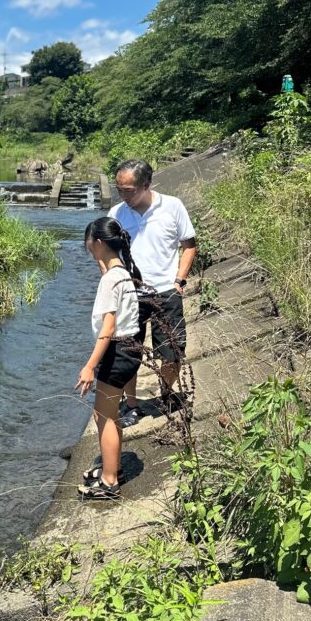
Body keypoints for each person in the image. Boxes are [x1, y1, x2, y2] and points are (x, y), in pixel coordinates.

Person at [109, 160, 197, 428]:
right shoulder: (116, 213)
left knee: (172, 351)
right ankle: (132, 405)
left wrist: (179, 279)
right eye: (119, 189)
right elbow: (108, 253)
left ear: (146, 185)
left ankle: (166, 392)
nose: (124, 196)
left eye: (129, 190)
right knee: (127, 353)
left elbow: (189, 245)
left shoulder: (172, 206)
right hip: (130, 293)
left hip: (166, 292)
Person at [76, 217, 143, 501]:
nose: (88, 248)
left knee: (104, 417)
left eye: (89, 244)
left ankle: (109, 481)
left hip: (116, 352)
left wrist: (90, 366)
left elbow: (108, 327)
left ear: (98, 243)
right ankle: (111, 467)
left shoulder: (110, 280)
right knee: (109, 414)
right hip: (132, 348)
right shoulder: (124, 273)